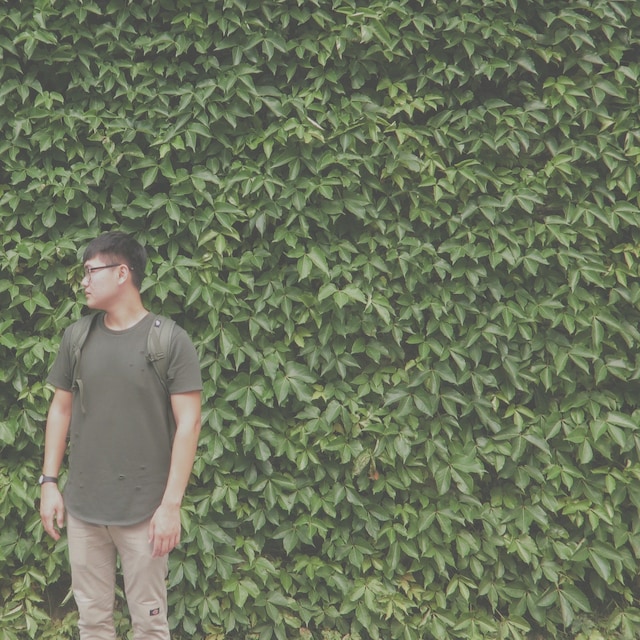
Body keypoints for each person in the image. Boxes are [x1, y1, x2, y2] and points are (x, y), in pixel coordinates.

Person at [40, 231, 202, 640]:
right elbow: (60, 409)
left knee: (149, 625)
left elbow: (189, 424)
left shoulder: (169, 341)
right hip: (84, 509)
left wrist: (170, 506)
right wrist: (49, 483)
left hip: (144, 512)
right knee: (93, 624)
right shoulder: (77, 337)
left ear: (122, 273)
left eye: (91, 271)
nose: (84, 281)